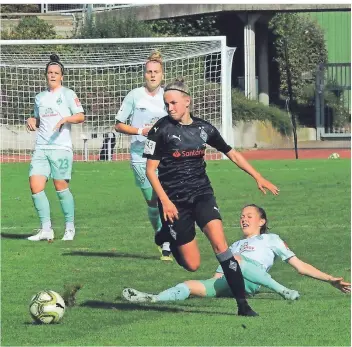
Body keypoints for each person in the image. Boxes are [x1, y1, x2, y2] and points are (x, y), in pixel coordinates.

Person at [142, 78, 281, 317]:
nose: (170, 108)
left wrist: (258, 177)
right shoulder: (159, 130)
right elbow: (150, 171)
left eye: (174, 103)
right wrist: (164, 201)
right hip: (175, 202)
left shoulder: (204, 129)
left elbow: (232, 153)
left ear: (187, 101)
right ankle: (166, 235)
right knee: (192, 265)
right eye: (167, 104)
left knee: (221, 246)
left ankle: (243, 306)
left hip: (202, 195)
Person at [122, 204, 351, 303]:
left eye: (249, 216)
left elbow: (300, 266)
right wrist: (211, 283)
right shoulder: (234, 245)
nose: (243, 218)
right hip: (228, 281)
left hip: (250, 281)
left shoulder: (271, 239)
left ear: (262, 221)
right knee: (188, 284)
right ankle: (153, 298)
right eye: (242, 216)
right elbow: (219, 271)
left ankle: (285, 291)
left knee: (235, 261)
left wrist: (330, 279)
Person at [115, 51, 172, 262]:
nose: (152, 75)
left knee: (167, 197)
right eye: (149, 72)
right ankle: (160, 232)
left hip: (165, 156)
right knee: (152, 200)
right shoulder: (134, 96)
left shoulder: (168, 97)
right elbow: (118, 124)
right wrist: (140, 131)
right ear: (144, 75)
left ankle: (167, 243)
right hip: (141, 155)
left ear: (162, 75)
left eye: (156, 72)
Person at [26, 54, 85, 241]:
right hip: (41, 147)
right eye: (50, 73)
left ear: (62, 76)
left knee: (61, 188)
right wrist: (31, 120)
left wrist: (65, 119)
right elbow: (37, 118)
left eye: (56, 73)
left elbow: (80, 116)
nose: (52, 75)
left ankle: (69, 227)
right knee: (35, 186)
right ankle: (46, 229)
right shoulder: (40, 97)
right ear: (46, 75)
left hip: (61, 147)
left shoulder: (68, 94)